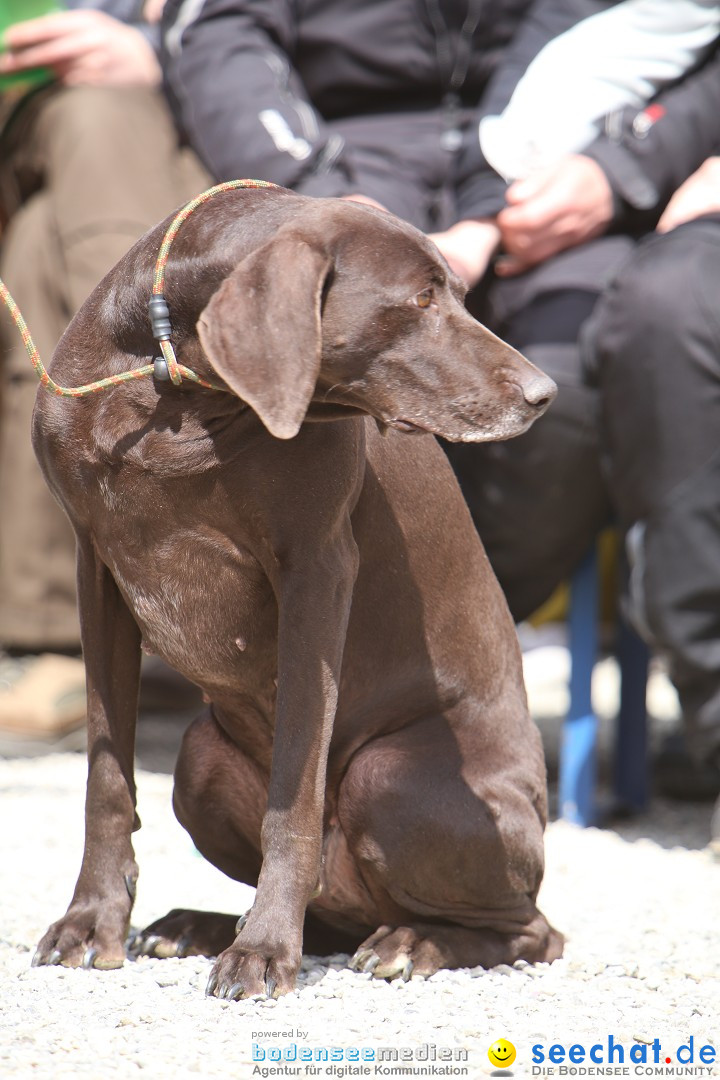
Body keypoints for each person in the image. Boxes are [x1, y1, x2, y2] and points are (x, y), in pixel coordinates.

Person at [0, 1, 209, 746]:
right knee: (95, 117)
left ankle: (63, 635)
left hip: (210, 121)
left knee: (37, 246)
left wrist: (167, 54)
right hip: (47, 110)